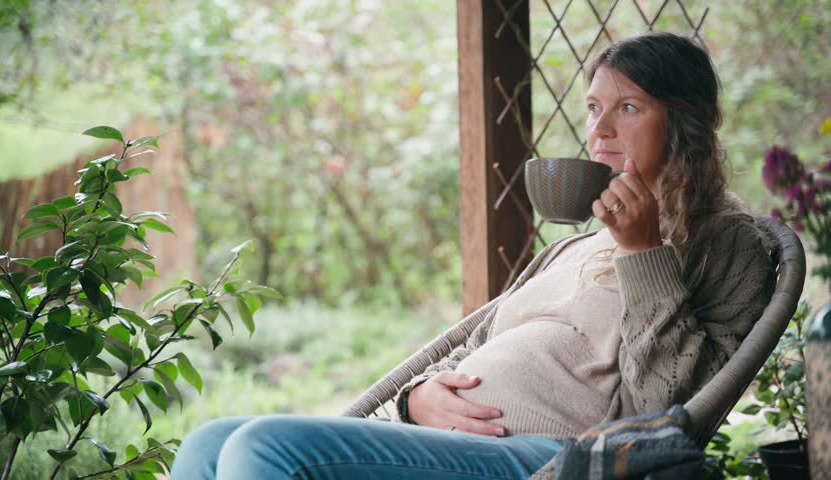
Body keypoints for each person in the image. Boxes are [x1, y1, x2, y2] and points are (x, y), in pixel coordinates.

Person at [169, 31, 775, 480]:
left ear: (686, 122)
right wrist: (417, 396)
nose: (599, 133)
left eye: (629, 107)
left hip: (550, 456)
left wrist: (643, 251)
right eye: (594, 108)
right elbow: (481, 345)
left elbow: (667, 414)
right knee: (208, 441)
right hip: (458, 446)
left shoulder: (730, 244)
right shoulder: (575, 244)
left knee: (260, 449)